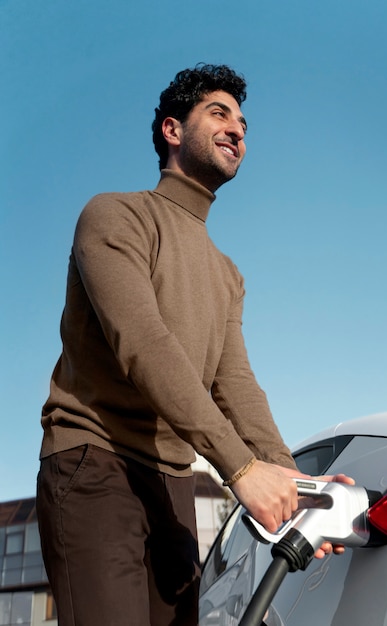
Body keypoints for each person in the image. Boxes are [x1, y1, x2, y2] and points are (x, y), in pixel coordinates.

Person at [36, 63, 352, 626]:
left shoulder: (226, 273)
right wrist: (240, 470)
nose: (237, 131)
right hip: (94, 465)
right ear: (172, 130)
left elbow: (235, 386)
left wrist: (295, 485)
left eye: (244, 124)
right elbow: (143, 345)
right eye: (218, 113)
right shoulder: (114, 215)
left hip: (174, 483)